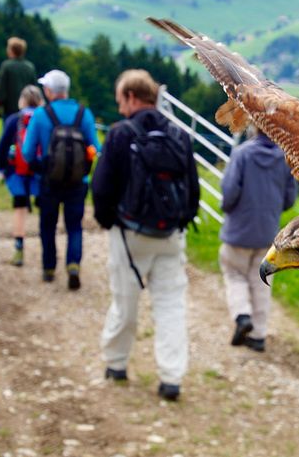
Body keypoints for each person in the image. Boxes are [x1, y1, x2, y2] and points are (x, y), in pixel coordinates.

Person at [92, 69, 199, 401]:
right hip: (170, 236)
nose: (120, 107)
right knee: (170, 306)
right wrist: (181, 220)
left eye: (120, 100)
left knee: (125, 301)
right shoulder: (179, 135)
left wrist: (108, 220)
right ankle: (171, 378)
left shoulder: (122, 133)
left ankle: (117, 363)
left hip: (129, 233)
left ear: (130, 96)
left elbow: (103, 186)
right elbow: (192, 191)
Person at [219, 128, 296, 352]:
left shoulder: (242, 154)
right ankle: (259, 335)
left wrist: (227, 208)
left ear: (254, 125)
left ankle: (242, 315)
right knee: (261, 282)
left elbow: (230, 191)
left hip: (238, 231)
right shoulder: (285, 158)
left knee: (234, 274)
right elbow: (290, 198)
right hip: (267, 232)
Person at [22, 69, 99, 290]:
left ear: (48, 91)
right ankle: (73, 264)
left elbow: (27, 152)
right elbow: (96, 147)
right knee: (74, 226)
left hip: (49, 181)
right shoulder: (84, 114)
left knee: (48, 225)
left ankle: (48, 268)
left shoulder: (40, 114)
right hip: (77, 182)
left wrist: (40, 168)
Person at [0, 85, 45, 267]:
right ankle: (45, 248)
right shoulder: (44, 119)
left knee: (20, 208)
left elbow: (3, 145)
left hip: (17, 171)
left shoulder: (14, 120)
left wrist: (2, 168)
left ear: (21, 101)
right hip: (39, 172)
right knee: (44, 209)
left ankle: (19, 247)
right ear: (41, 101)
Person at [0, 37, 36, 123]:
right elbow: (34, 89)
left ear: (11, 50)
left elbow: (1, 89)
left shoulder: (6, 66)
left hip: (10, 108)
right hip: (27, 108)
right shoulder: (30, 67)